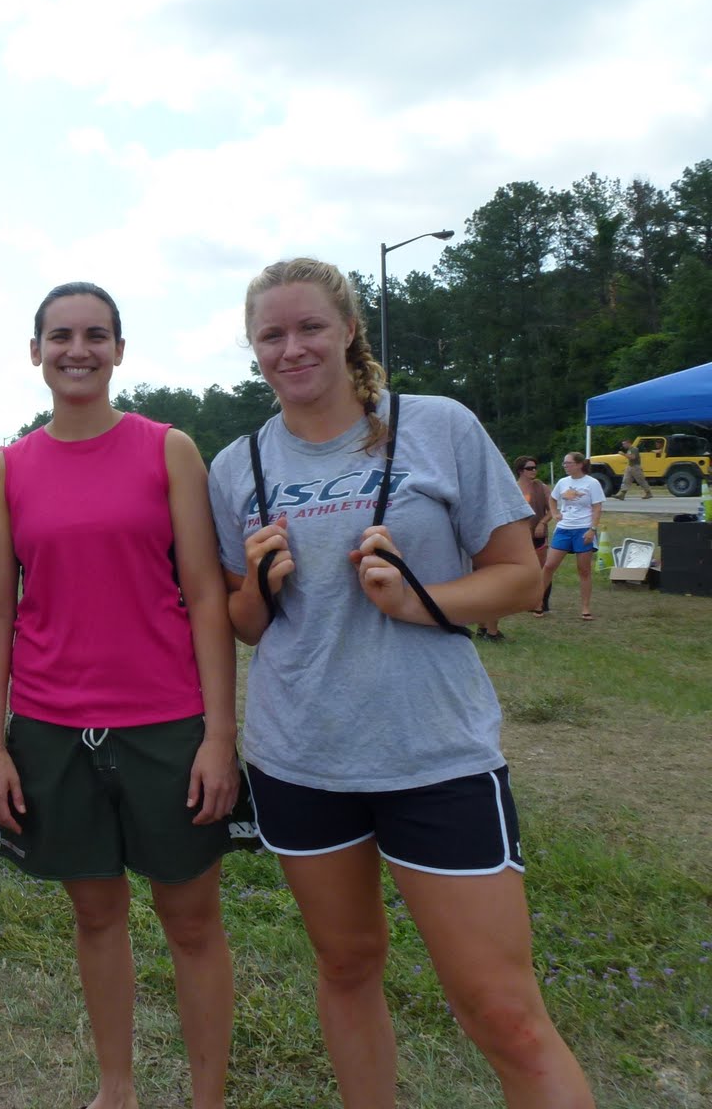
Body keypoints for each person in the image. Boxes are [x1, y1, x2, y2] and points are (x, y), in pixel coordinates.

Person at [207, 259, 593, 1108]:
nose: (292, 347)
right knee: (346, 968)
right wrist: (260, 588)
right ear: (254, 350)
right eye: (271, 335)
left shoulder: (437, 426)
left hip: (434, 755)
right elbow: (243, 624)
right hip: (300, 757)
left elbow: (521, 579)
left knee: (504, 1012)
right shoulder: (237, 465)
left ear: (349, 329)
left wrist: (420, 599)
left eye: (309, 326)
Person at [0, 283, 237, 1109]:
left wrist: (219, 736)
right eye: (59, 336)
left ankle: (207, 1097)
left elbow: (203, 592)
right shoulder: (9, 468)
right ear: (35, 352)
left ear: (120, 350)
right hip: (53, 728)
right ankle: (114, 1089)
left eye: (95, 335)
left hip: (167, 723)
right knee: (96, 916)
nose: (76, 350)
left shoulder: (169, 450)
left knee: (191, 921)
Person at [478, 454, 552, 637]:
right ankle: (489, 630)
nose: (533, 471)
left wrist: (542, 523)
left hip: (532, 536)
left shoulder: (541, 487)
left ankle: (537, 603)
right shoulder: (509, 488)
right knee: (498, 584)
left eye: (535, 467)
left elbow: (552, 509)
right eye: (529, 468)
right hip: (510, 538)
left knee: (535, 571)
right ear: (520, 471)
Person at [540, 452, 605, 622]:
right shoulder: (562, 482)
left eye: (568, 463)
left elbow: (597, 508)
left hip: (583, 528)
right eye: (564, 463)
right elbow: (552, 500)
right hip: (564, 528)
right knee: (549, 566)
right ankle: (538, 602)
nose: (565, 466)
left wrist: (592, 529)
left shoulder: (592, 483)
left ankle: (585, 607)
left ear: (579, 464)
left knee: (583, 570)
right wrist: (554, 513)